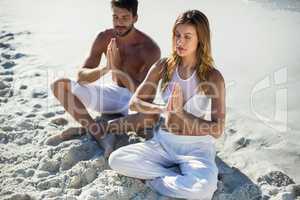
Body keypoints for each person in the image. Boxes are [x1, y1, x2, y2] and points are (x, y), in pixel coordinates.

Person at [109, 10, 225, 199]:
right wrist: (163, 109)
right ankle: (169, 176)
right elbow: (135, 103)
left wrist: (181, 113)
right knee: (117, 160)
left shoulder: (213, 77)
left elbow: (217, 130)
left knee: (202, 191)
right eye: (177, 35)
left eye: (188, 37)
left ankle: (155, 178)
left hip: (196, 148)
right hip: (163, 143)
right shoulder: (164, 67)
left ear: (200, 40)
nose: (180, 41)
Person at [47, 0, 160, 158]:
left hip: (132, 98)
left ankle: (90, 128)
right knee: (59, 84)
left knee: (151, 117)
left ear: (135, 18)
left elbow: (145, 96)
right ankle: (98, 132)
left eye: (125, 18)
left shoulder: (149, 48)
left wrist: (120, 71)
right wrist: (106, 68)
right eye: (115, 17)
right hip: (111, 94)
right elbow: (81, 77)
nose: (119, 23)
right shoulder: (104, 37)